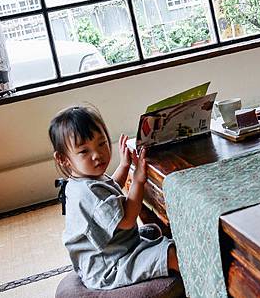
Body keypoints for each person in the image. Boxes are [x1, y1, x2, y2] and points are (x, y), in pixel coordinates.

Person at [49, 105, 179, 290]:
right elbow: (126, 220)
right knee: (174, 255)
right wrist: (138, 182)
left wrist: (125, 166)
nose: (97, 155)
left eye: (101, 144)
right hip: (110, 266)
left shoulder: (83, 180)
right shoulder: (86, 192)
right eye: (84, 151)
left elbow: (112, 188)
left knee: (154, 234)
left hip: (113, 251)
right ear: (63, 159)